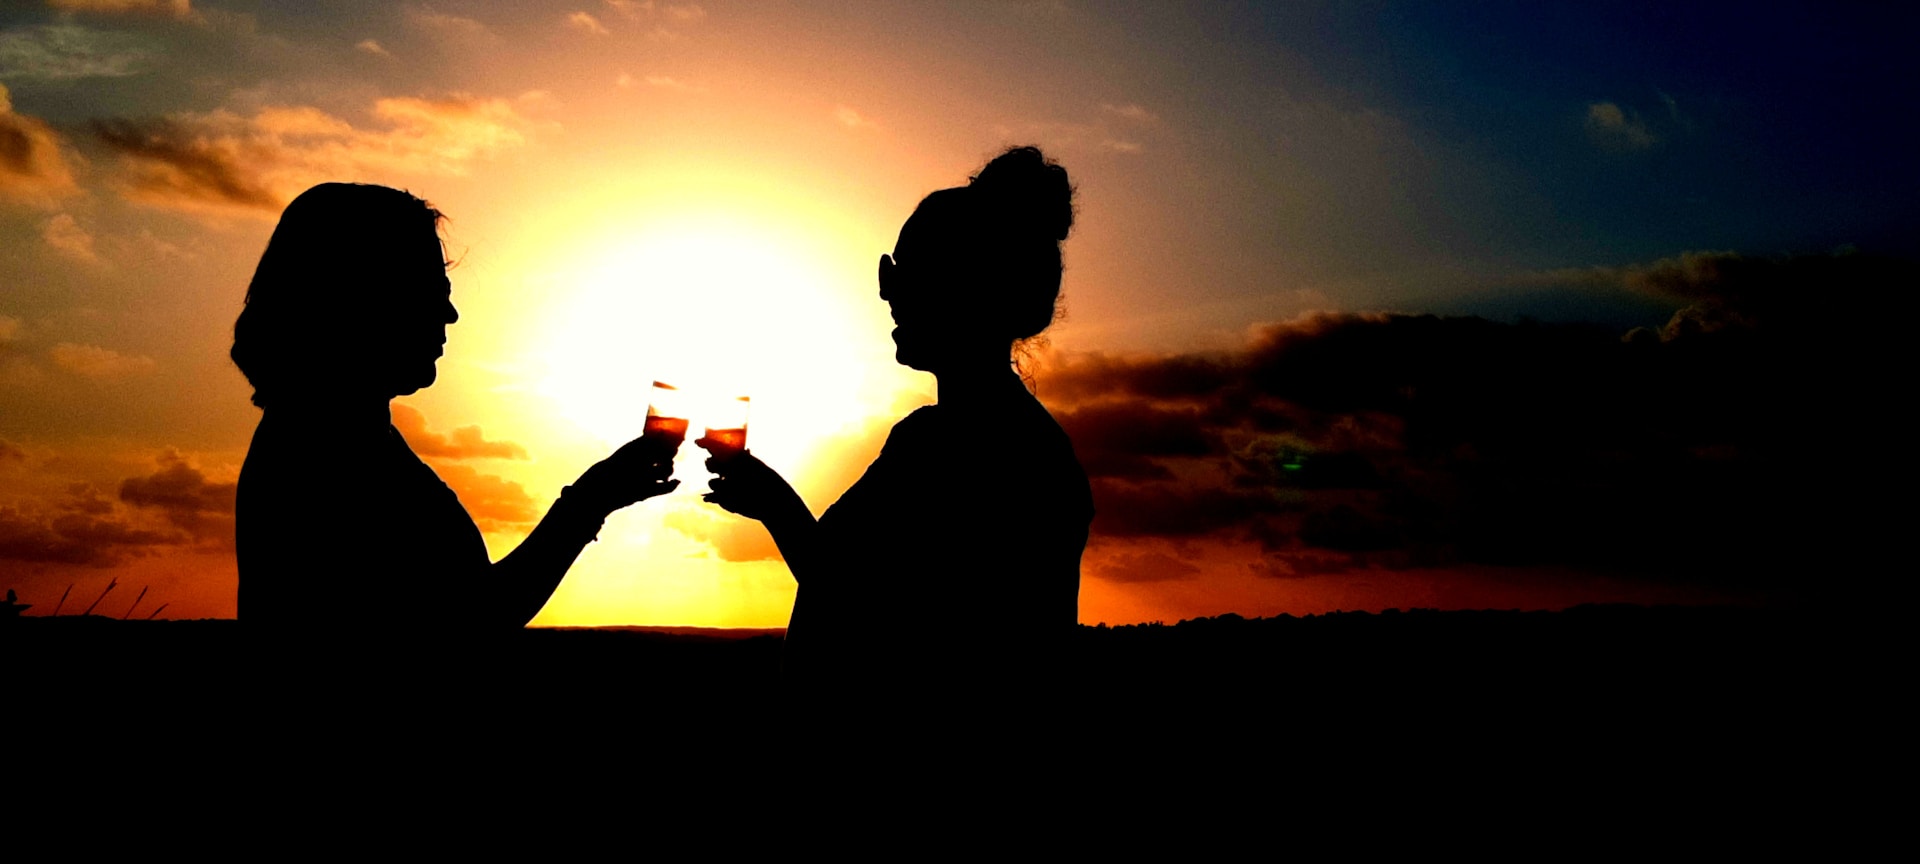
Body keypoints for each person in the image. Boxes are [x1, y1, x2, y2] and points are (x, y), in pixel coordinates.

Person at [700, 147, 1093, 696]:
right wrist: (770, 500)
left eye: (907, 273)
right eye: (890, 269)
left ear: (968, 287)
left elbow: (861, 605)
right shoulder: (963, 439)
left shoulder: (977, 451)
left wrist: (773, 504)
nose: (888, 292)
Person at [232, 183, 682, 641]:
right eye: (430, 291)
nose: (450, 314)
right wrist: (589, 501)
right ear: (364, 298)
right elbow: (474, 617)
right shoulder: (327, 452)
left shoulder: (344, 434)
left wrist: (592, 498)